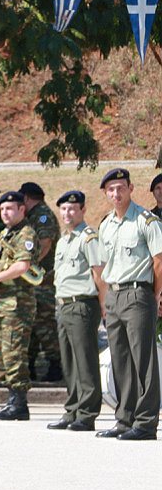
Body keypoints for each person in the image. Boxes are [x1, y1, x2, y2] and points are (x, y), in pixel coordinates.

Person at [95, 167, 162, 441]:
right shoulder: (105, 225)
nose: (116, 193)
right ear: (105, 193)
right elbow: (101, 267)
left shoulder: (146, 221)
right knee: (121, 360)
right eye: (111, 189)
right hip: (114, 295)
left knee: (143, 360)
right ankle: (124, 419)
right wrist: (104, 301)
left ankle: (146, 423)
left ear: (131, 189)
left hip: (138, 294)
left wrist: (156, 295)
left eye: (120, 187)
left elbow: (159, 261)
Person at [47, 190, 105, 432]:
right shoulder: (63, 240)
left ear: (82, 210)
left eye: (72, 208)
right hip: (64, 305)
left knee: (85, 360)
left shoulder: (88, 237)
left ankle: (88, 413)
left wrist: (104, 306)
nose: (67, 213)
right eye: (63, 209)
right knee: (69, 362)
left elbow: (98, 274)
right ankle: (72, 410)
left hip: (83, 304)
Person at [0, 191, 38, 420]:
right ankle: (11, 399)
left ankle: (19, 404)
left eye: (10, 208)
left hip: (17, 305)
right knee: (0, 356)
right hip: (1, 304)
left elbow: (22, 266)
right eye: (2, 209)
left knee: (14, 354)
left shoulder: (26, 233)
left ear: (21, 210)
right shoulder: (6, 233)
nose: (5, 213)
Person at [19, 182, 63, 382]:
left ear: (27, 198)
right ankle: (31, 363)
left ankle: (57, 363)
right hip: (35, 280)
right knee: (34, 323)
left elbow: (45, 244)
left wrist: (30, 266)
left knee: (44, 323)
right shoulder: (33, 215)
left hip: (42, 279)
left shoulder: (42, 215)